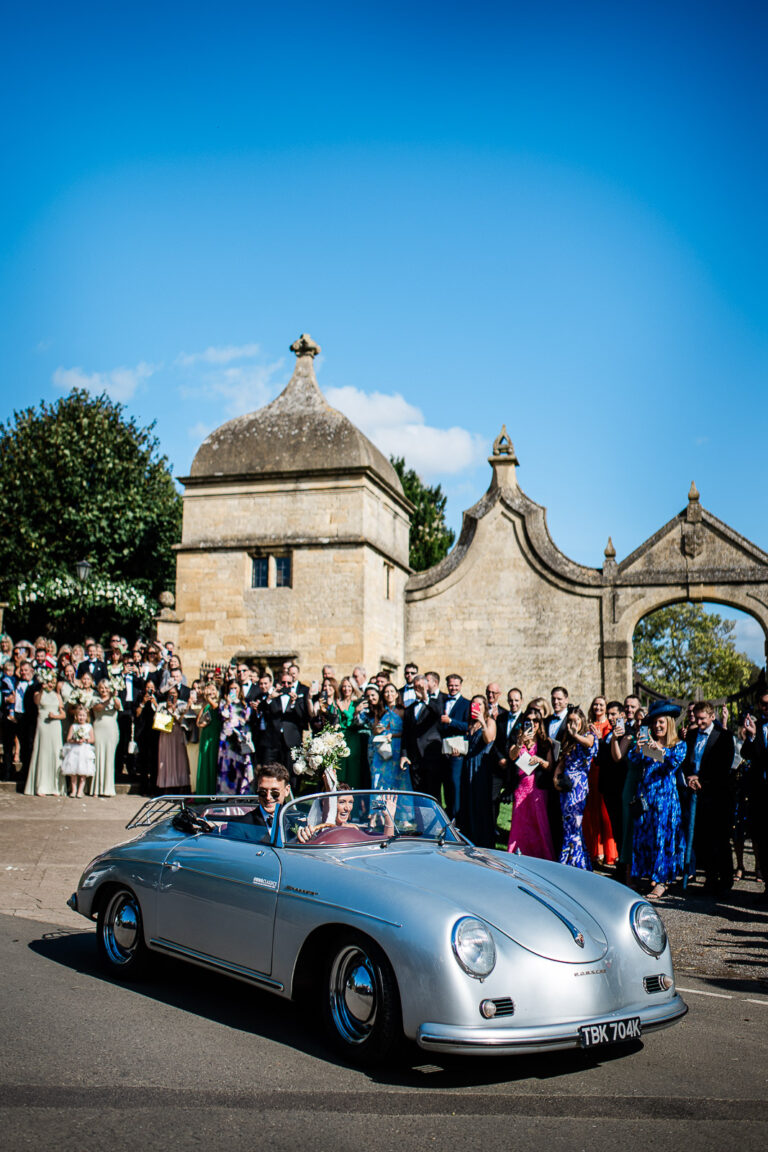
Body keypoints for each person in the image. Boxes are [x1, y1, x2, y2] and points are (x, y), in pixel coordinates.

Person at [627, 700, 686, 899]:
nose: (657, 726)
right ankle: (649, 875)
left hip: (665, 799)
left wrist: (658, 751)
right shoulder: (646, 742)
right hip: (646, 797)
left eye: (661, 722)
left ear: (669, 723)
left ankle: (662, 881)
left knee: (663, 837)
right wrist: (638, 748)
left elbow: (672, 764)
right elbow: (633, 760)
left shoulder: (678, 744)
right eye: (654, 723)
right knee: (645, 836)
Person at [683, 700, 735, 894]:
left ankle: (726, 879)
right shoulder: (691, 736)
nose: (699, 722)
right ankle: (710, 877)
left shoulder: (724, 736)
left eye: (702, 718)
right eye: (696, 718)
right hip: (695, 793)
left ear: (712, 717)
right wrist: (690, 778)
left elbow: (723, 766)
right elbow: (686, 761)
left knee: (719, 839)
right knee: (703, 838)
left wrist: (702, 780)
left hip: (716, 794)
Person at [506, 708, 555, 859]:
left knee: (539, 825)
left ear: (540, 724)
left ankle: (541, 855)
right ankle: (518, 854)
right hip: (521, 788)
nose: (532, 724)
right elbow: (512, 756)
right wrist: (520, 742)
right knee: (520, 825)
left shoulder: (545, 742)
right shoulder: (517, 739)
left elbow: (550, 765)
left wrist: (540, 760)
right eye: (529, 720)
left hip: (537, 788)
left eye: (536, 721)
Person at [553, 707, 597, 869]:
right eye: (569, 721)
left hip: (578, 788)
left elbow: (590, 744)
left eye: (575, 720)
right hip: (565, 786)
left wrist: (575, 735)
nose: (572, 724)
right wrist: (556, 779)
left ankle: (574, 863)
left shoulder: (587, 735)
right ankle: (574, 861)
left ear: (582, 721)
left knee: (575, 825)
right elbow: (561, 760)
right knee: (567, 825)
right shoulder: (568, 739)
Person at [456, 695, 496, 847]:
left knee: (480, 802)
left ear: (485, 707)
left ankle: (483, 840)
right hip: (468, 763)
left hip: (481, 765)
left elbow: (489, 739)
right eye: (474, 704)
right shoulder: (470, 724)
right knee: (468, 801)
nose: (476, 707)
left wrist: (482, 722)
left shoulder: (489, 721)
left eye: (480, 704)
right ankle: (469, 836)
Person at [583, 695, 618, 867]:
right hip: (589, 772)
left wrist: (599, 738)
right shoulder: (588, 725)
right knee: (591, 812)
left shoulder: (609, 727)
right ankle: (594, 851)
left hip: (603, 771)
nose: (598, 707)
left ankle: (609, 852)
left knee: (605, 814)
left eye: (601, 705)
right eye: (595, 704)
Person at [741, 692, 768, 900]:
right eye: (762, 704)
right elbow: (747, 754)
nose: (765, 708)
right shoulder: (757, 727)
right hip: (761, 791)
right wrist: (750, 736)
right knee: (762, 837)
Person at [400, 675, 443, 800]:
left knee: (433, 794)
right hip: (415, 758)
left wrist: (425, 697)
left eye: (421, 686)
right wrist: (404, 754)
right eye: (416, 687)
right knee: (418, 794)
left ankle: (435, 820)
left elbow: (438, 713)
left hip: (431, 756)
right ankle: (420, 819)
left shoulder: (435, 703)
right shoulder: (409, 709)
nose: (418, 689)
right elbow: (406, 734)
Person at [23, 670, 65, 796]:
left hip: (55, 726)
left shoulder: (57, 696)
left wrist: (55, 716)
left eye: (53, 682)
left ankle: (55, 787)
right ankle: (41, 786)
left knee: (55, 752)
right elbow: (37, 702)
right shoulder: (38, 693)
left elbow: (63, 714)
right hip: (43, 725)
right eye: (48, 682)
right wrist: (42, 689)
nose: (51, 684)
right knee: (42, 752)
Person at [439, 673, 470, 819]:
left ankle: (456, 819)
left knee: (455, 785)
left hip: (457, 751)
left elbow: (468, 726)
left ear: (461, 686)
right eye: (451, 685)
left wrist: (451, 721)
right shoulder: (442, 701)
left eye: (456, 685)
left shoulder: (466, 704)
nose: (453, 688)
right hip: (442, 751)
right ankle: (446, 817)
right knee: (445, 787)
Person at [217, 682, 254, 794]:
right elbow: (223, 716)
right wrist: (228, 704)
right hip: (228, 737)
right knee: (227, 765)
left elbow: (248, 719)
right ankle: (226, 792)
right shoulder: (224, 702)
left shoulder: (244, 703)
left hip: (240, 737)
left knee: (242, 765)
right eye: (231, 688)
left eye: (235, 688)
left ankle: (242, 791)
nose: (233, 690)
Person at [370, 683, 407, 790]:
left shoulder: (402, 710)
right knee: (379, 779)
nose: (389, 694)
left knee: (397, 780)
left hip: (397, 748)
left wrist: (393, 735)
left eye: (391, 691)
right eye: (386, 692)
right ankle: (379, 806)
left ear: (396, 694)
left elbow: (407, 732)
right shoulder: (380, 710)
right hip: (382, 749)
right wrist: (378, 729)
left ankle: (397, 806)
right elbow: (375, 730)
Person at [156, 686, 191, 793]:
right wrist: (167, 709)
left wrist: (174, 710)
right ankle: (167, 785)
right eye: (170, 693)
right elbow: (157, 721)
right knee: (166, 760)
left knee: (180, 760)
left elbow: (184, 720)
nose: (172, 695)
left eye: (174, 693)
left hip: (178, 733)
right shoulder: (162, 705)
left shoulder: (182, 704)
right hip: (166, 734)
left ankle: (181, 785)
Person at [90, 679, 121, 797]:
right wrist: (109, 699)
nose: (104, 690)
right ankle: (96, 788)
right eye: (102, 688)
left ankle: (108, 788)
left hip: (111, 730)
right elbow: (98, 708)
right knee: (98, 757)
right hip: (98, 728)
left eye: (106, 688)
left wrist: (114, 698)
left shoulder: (115, 699)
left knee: (109, 757)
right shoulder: (95, 699)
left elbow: (118, 707)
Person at [335, 676, 366, 788]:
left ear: (353, 688)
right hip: (340, 737)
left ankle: (354, 796)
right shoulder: (338, 702)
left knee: (353, 769)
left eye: (349, 686)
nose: (346, 689)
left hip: (353, 737)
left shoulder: (356, 703)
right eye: (344, 686)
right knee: (340, 769)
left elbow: (353, 722)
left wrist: (344, 710)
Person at [60, 705, 96, 799]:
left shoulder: (89, 726)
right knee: (73, 771)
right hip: (74, 750)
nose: (81, 717)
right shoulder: (73, 726)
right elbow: (68, 738)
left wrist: (85, 740)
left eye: (83, 715)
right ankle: (73, 790)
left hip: (84, 750)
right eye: (80, 715)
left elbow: (92, 739)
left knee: (83, 772)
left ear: (86, 716)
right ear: (76, 716)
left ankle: (80, 790)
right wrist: (75, 740)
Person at [195, 683, 222, 794]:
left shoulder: (219, 703)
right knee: (205, 763)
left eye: (213, 689)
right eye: (208, 689)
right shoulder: (206, 705)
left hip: (214, 737)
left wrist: (208, 698)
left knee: (213, 762)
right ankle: (203, 793)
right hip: (206, 736)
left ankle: (212, 792)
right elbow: (198, 722)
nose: (211, 692)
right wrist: (203, 723)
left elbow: (216, 708)